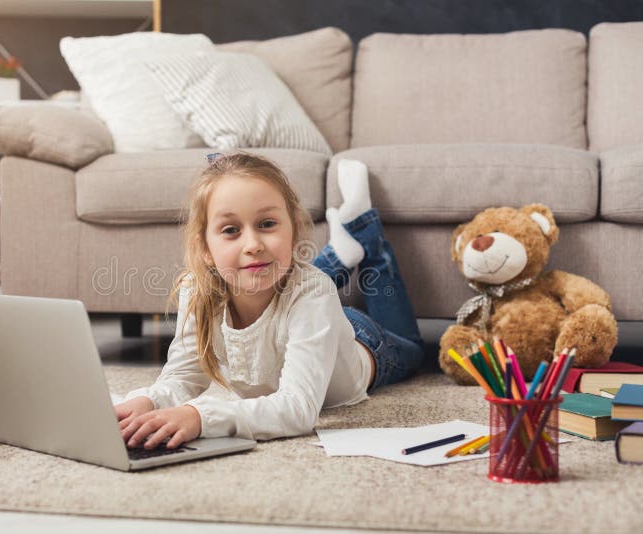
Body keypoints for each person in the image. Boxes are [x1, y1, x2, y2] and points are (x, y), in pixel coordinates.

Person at [114, 152, 425, 449]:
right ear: (204, 248)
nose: (252, 244)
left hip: (368, 344)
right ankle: (342, 251)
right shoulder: (196, 289)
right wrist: (149, 401)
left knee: (412, 347)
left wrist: (201, 417)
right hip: (304, 314)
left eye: (266, 224)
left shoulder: (314, 292)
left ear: (294, 229)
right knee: (278, 274)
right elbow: (183, 375)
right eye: (230, 230)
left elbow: (299, 409)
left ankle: (363, 226)